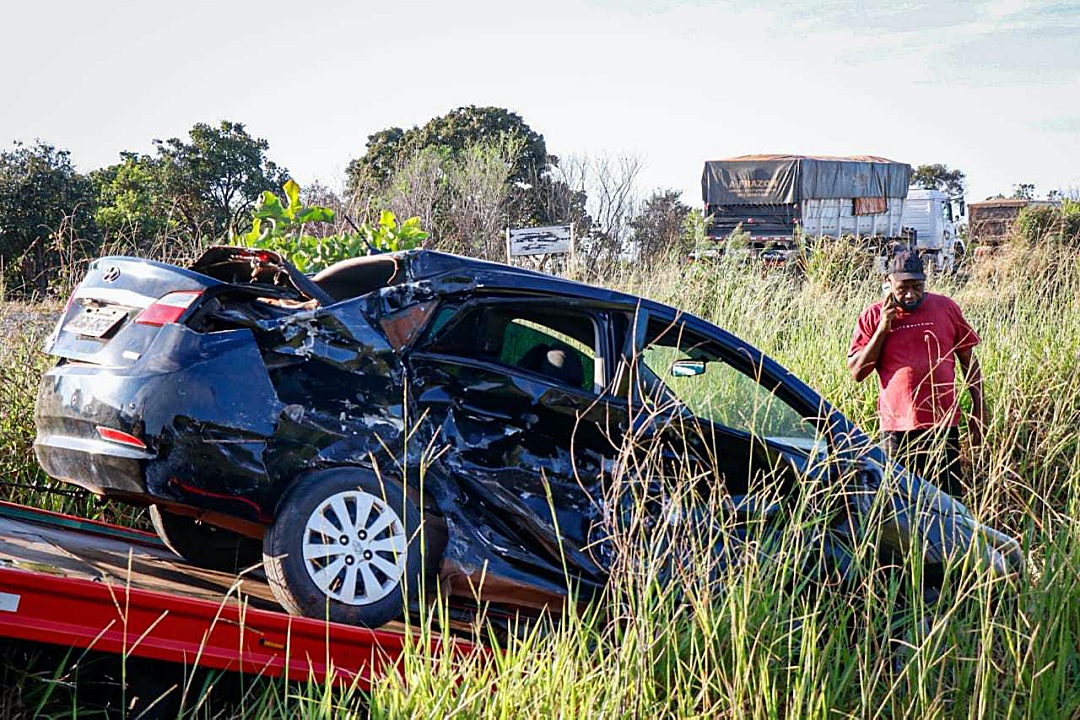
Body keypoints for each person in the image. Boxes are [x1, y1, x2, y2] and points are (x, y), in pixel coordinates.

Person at [847, 249, 985, 497]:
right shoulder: (872, 316)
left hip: (943, 427)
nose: (910, 294)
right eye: (902, 287)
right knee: (900, 502)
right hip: (896, 428)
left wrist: (979, 408)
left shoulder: (946, 308)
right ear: (888, 283)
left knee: (947, 503)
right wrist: (882, 329)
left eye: (917, 286)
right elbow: (858, 372)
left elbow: (969, 361)